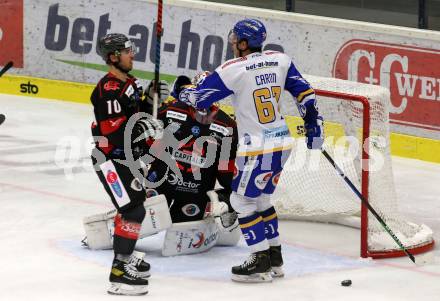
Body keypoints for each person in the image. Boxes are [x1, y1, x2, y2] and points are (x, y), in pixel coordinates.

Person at [178, 19, 324, 282]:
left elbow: (200, 99)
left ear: (244, 43)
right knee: (261, 201)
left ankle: (259, 260)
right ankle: (275, 257)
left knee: (240, 202)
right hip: (281, 142)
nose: (233, 44)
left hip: (257, 147)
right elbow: (305, 94)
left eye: (236, 40)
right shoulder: (280, 59)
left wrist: (183, 90)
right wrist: (313, 122)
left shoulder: (232, 69)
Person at [90, 33, 165, 296]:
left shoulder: (130, 83)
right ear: (113, 57)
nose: (132, 54)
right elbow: (112, 133)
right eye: (126, 51)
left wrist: (150, 99)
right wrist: (142, 127)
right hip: (110, 159)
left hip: (127, 158)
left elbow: (137, 114)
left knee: (135, 209)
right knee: (132, 210)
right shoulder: (108, 90)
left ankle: (125, 255)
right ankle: (119, 274)